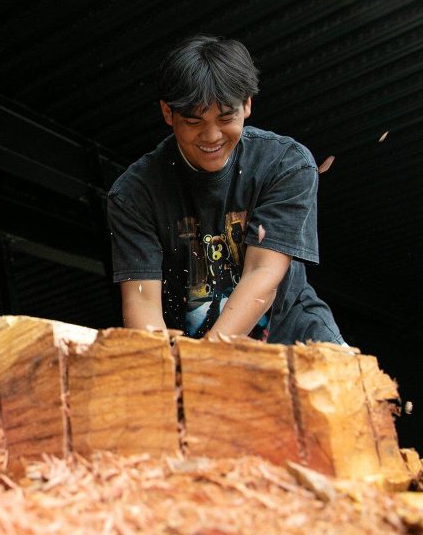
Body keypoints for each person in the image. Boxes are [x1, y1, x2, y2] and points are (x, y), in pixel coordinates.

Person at [107, 34, 343, 344]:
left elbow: (262, 274)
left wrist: (209, 357)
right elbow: (142, 301)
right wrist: (167, 367)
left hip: (293, 337)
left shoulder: (285, 164)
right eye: (193, 121)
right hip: (190, 347)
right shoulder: (134, 194)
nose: (211, 136)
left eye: (225, 117)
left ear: (247, 104)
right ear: (168, 113)